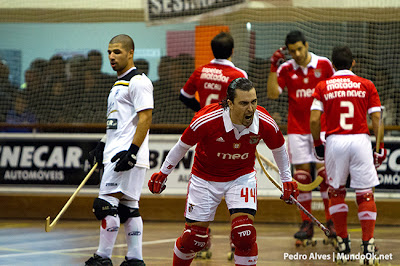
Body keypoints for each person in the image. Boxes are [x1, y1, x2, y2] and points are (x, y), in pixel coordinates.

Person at [148, 78, 299, 266]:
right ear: (230, 104)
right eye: (244, 103)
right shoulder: (207, 119)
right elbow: (182, 146)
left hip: (240, 177)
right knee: (193, 239)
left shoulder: (263, 120)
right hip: (204, 178)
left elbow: (279, 149)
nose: (251, 109)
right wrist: (163, 173)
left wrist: (286, 179)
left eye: (254, 102)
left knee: (244, 234)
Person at [310, 46, 387, 264]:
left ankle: (343, 244)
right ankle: (368, 246)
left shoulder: (323, 85)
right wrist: (379, 146)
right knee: (365, 194)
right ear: (353, 63)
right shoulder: (366, 84)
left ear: (332, 65)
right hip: (360, 140)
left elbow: (315, 120)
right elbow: (377, 119)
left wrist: (318, 143)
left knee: (336, 192)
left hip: (335, 141)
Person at [85, 34, 153, 266]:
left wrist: (132, 152)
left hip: (125, 155)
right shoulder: (118, 84)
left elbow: (145, 118)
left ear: (130, 53)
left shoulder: (138, 81)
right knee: (129, 208)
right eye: (109, 52)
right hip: (119, 151)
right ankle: (135, 259)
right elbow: (119, 123)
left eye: (117, 52)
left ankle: (102, 257)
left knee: (105, 204)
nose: (112, 57)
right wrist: (102, 143)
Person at [267, 30, 336, 244]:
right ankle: (307, 223)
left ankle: (332, 221)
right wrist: (273, 66)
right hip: (297, 130)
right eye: (292, 51)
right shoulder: (286, 68)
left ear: (306, 45)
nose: (297, 53)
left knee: (325, 177)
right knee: (302, 177)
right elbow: (272, 93)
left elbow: (335, 90)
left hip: (322, 128)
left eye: (299, 48)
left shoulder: (324, 64)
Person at [180, 31, 247, 112]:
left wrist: (202, 111)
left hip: (205, 122)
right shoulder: (239, 75)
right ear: (232, 51)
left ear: (212, 50)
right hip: (225, 123)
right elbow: (244, 103)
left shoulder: (200, 71)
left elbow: (184, 97)